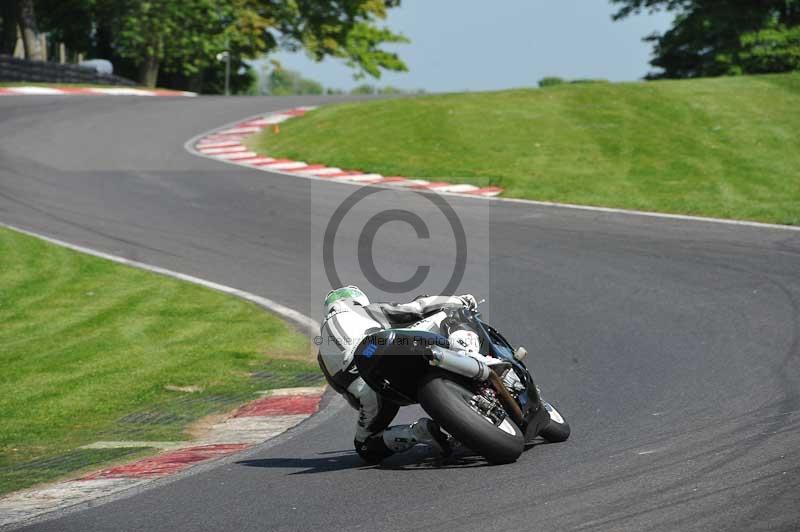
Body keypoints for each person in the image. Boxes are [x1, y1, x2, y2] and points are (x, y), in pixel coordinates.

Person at [317, 285, 480, 464]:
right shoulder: (365, 310)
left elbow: (348, 394)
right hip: (383, 346)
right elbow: (416, 308)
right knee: (450, 315)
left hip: (369, 388)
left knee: (365, 446)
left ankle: (416, 432)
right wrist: (460, 300)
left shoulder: (321, 356)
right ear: (357, 300)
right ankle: (470, 356)